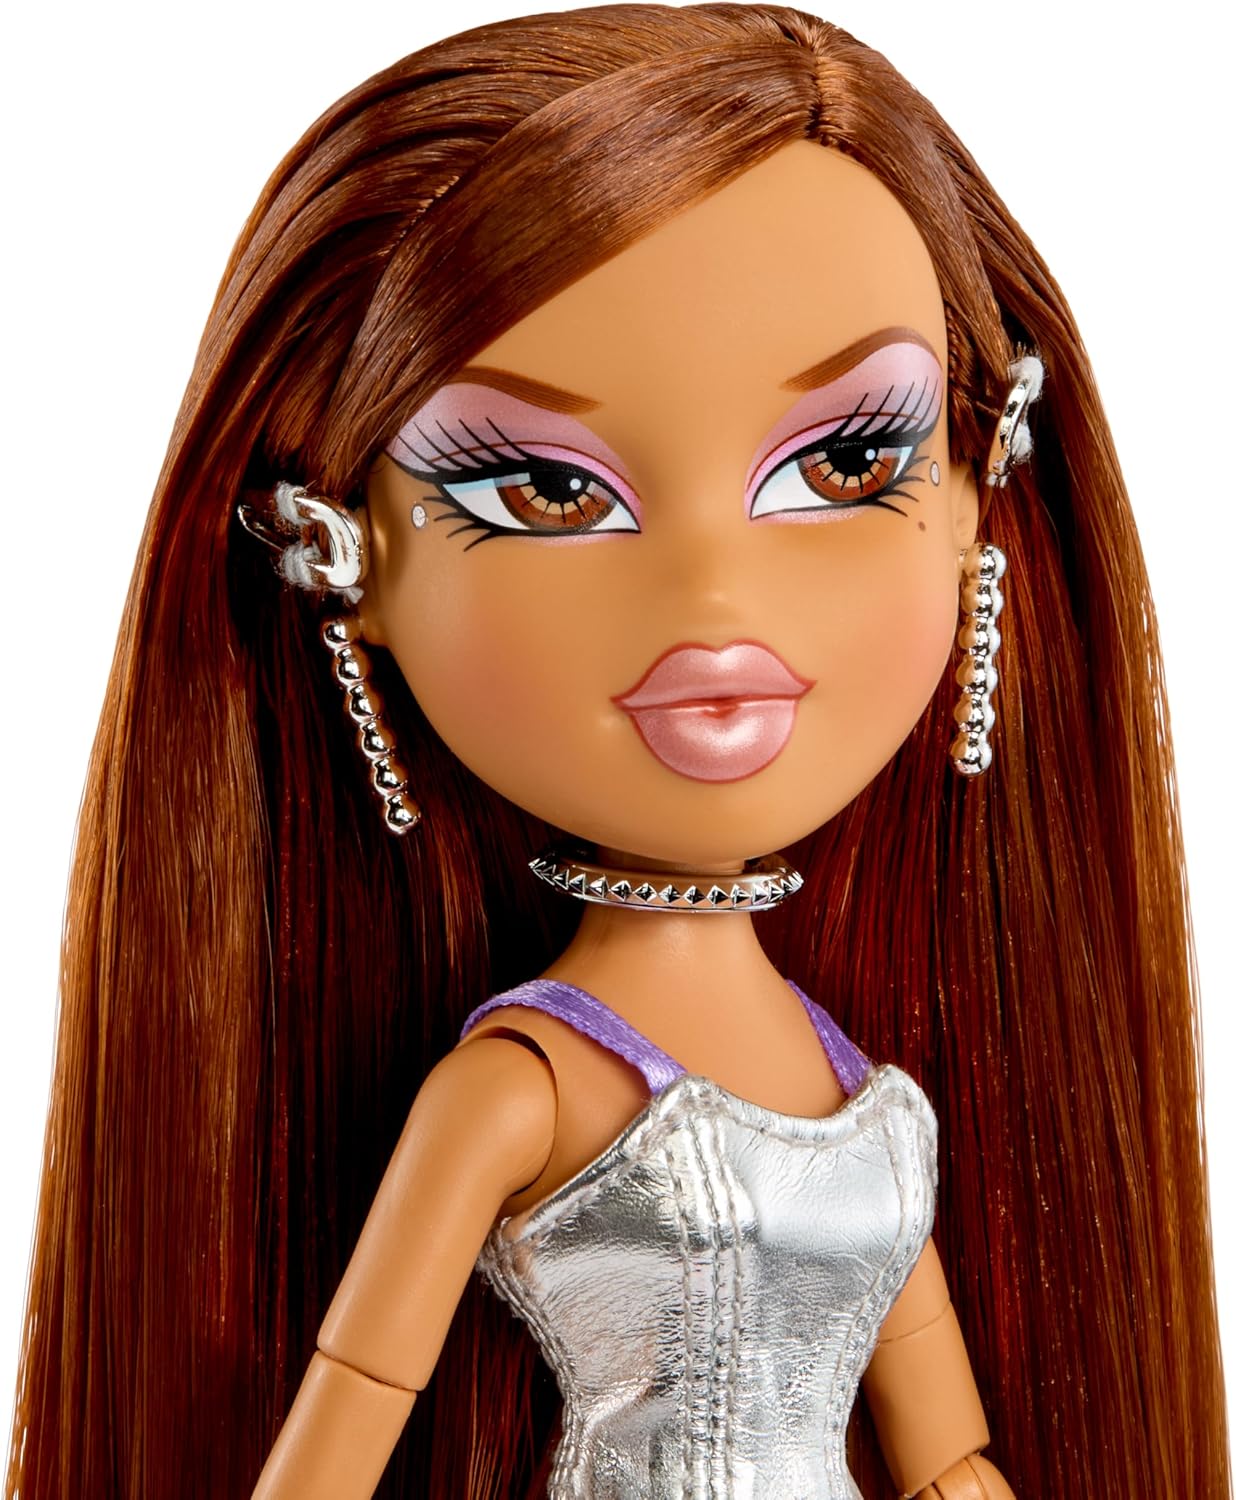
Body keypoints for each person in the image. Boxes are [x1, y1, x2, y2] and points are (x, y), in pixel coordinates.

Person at [7, 7, 1229, 1498]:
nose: (712, 598)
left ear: (980, 502)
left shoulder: (862, 1091)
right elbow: (351, 1408)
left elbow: (950, 1455)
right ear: (344, 557)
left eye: (847, 462)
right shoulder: (519, 1086)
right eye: (543, 490)